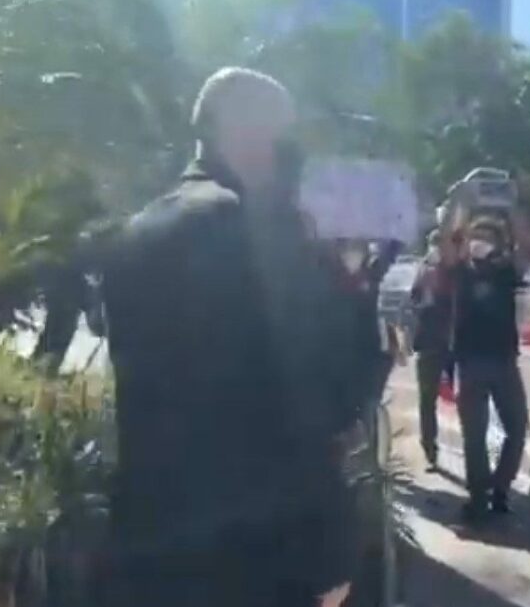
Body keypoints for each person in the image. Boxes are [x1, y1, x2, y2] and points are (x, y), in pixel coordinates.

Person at [100, 68, 360, 607]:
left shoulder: (135, 231)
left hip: (152, 547)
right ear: (250, 132)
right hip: (254, 560)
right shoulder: (251, 229)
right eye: (286, 137)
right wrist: (329, 552)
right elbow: (304, 399)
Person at [446, 216, 529, 521]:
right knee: (474, 435)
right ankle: (478, 497)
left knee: (518, 428)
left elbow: (524, 252)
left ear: (497, 244)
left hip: (505, 361)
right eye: (474, 236)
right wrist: (456, 214)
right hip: (470, 363)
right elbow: (448, 245)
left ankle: (500, 487)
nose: (479, 241)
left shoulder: (506, 271)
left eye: (486, 237)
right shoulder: (460, 272)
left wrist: (524, 208)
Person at [335, 237, 404, 408]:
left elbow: (389, 254)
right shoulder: (330, 277)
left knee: (368, 403)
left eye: (357, 248)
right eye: (348, 248)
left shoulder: (371, 274)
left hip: (370, 353)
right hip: (339, 354)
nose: (352, 254)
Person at [410, 229, 453, 472]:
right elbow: (413, 300)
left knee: (466, 400)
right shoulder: (422, 272)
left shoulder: (453, 273)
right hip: (428, 344)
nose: (435, 250)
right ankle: (430, 450)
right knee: (427, 400)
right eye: (432, 245)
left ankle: (475, 454)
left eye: (438, 245)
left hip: (453, 344)